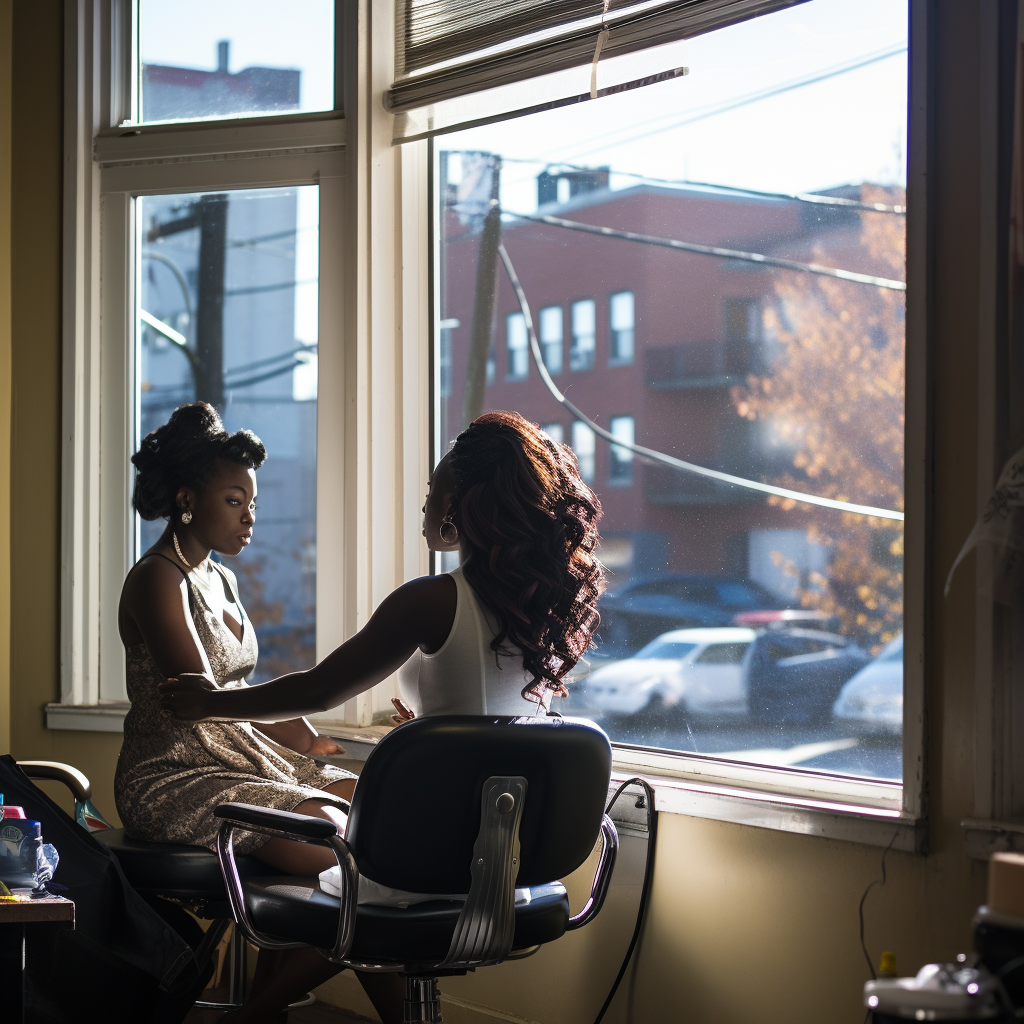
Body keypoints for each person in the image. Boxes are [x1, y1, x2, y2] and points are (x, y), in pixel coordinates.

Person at [160, 410, 606, 1024]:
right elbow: (496, 724)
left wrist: (212, 702)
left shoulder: (432, 598)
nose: (424, 505)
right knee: (352, 878)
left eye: (431, 492)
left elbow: (318, 691)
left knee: (348, 890)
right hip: (513, 864)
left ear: (459, 506)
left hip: (430, 855)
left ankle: (249, 1017)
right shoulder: (538, 610)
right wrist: (424, 733)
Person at [113, 402, 364, 1019]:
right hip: (176, 773)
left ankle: (263, 1006)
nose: (250, 517)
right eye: (234, 500)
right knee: (347, 860)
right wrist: (291, 725)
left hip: (241, 757)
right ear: (186, 498)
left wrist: (302, 742)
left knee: (375, 809)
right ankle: (261, 1012)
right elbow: (197, 698)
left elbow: (235, 689)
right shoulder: (157, 579)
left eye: (252, 502)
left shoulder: (218, 578)